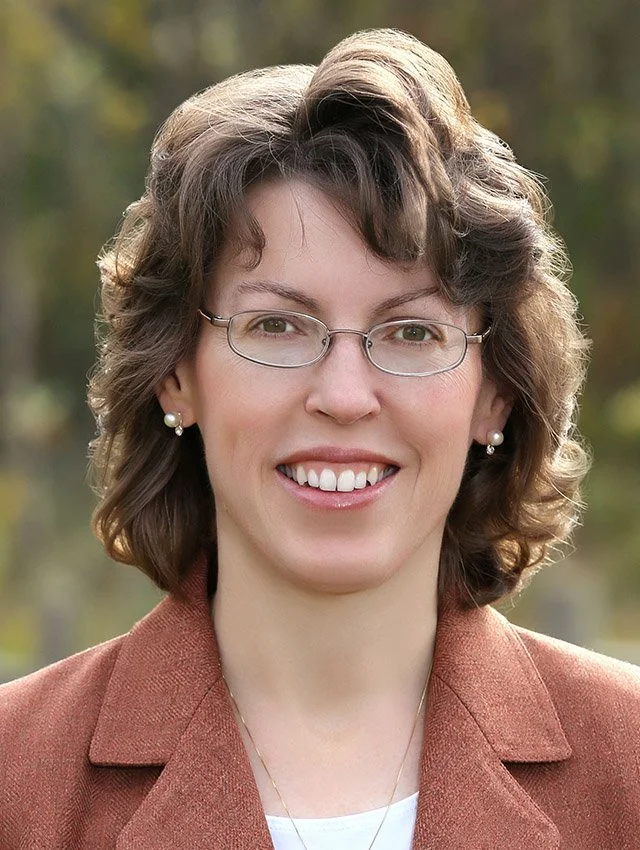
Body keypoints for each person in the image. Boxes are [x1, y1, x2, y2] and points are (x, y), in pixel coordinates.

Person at [1, 27, 639, 850]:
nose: (343, 396)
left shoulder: (627, 769)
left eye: (411, 333)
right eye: (276, 326)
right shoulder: (19, 781)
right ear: (176, 376)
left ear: (497, 396)